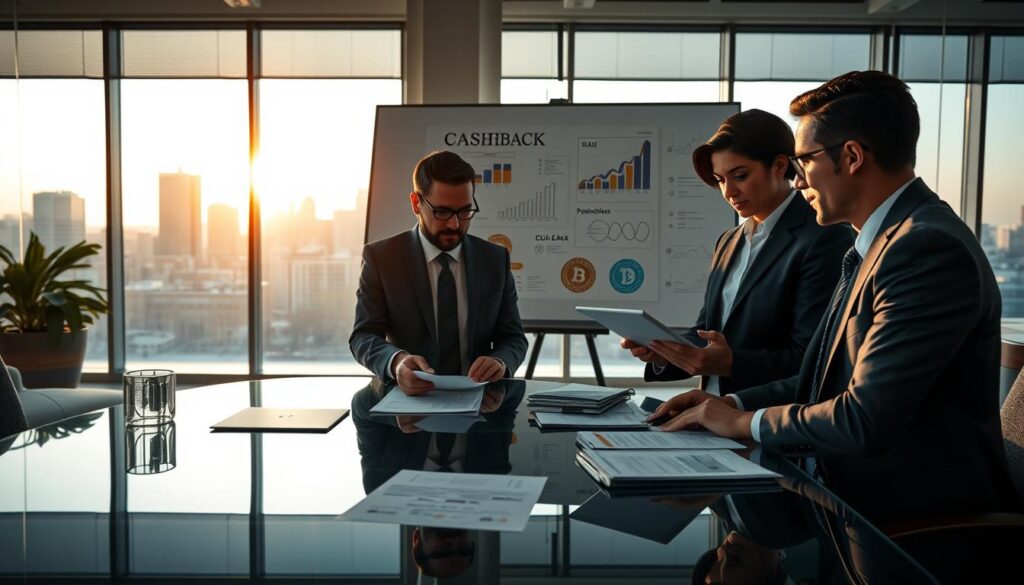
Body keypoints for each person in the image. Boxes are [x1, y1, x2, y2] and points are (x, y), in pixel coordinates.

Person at [650, 70, 1018, 523]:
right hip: (855, 497)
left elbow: (864, 419)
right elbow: (821, 380)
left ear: (852, 157)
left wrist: (742, 424)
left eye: (804, 161)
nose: (799, 180)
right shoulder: (880, 242)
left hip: (919, 524)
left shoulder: (924, 248)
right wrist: (730, 404)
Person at [622, 109, 852, 398]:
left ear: (780, 166)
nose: (728, 192)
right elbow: (707, 332)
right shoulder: (728, 241)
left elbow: (815, 358)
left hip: (769, 422)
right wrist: (664, 353)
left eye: (739, 176)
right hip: (712, 417)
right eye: (720, 179)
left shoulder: (823, 237)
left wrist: (731, 364)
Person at [349, 151, 528, 395]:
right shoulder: (382, 259)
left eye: (465, 211)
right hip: (406, 410)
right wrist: (397, 362)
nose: (454, 224)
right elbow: (363, 336)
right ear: (416, 203)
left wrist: (501, 361)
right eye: (442, 212)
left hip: (480, 407)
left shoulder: (494, 260)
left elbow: (514, 338)